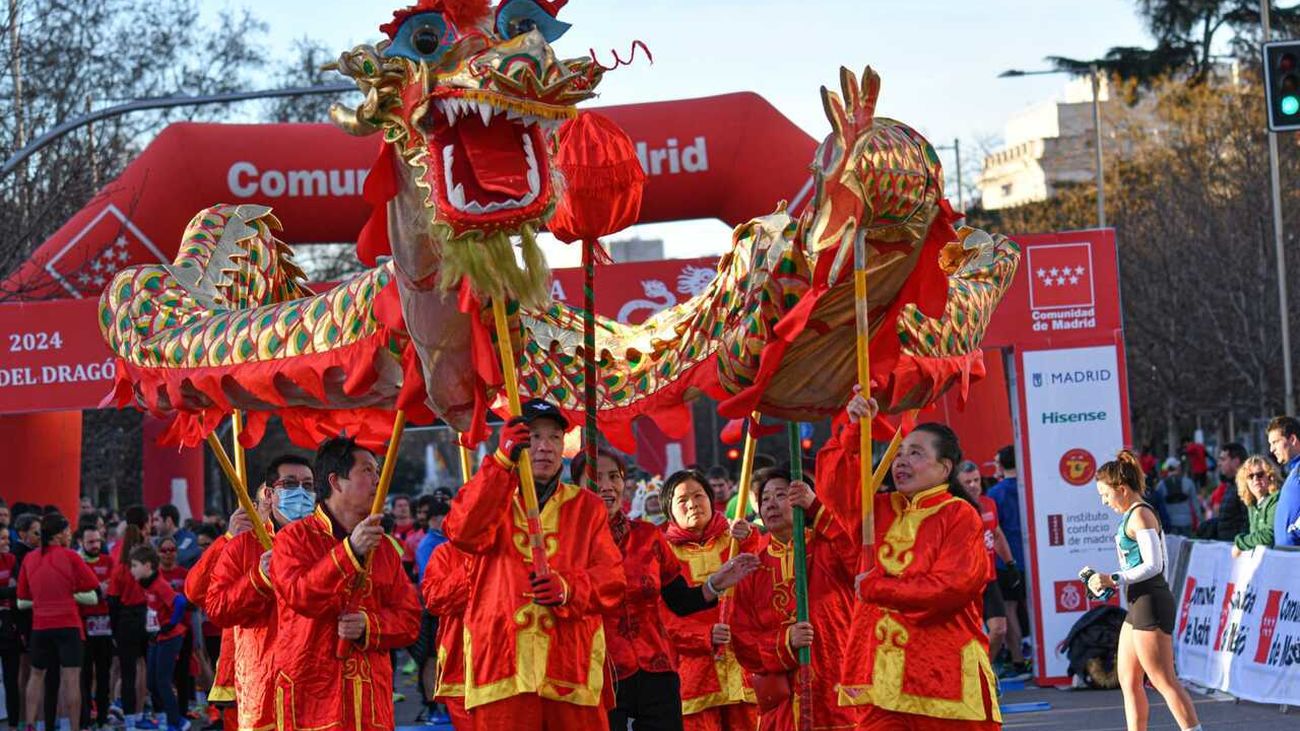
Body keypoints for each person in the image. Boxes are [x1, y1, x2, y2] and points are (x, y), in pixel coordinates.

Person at [817, 391, 1000, 729]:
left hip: (944, 681)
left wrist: (878, 588)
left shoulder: (959, 515)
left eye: (915, 453)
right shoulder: (881, 510)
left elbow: (951, 588)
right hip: (879, 678)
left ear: (945, 468)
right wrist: (854, 431)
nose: (900, 461)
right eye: (898, 453)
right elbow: (832, 490)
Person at [444, 399, 625, 727]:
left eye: (555, 438)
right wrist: (499, 464)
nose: (545, 447)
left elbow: (611, 580)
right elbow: (463, 533)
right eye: (535, 436)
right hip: (501, 664)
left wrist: (568, 589)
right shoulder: (491, 492)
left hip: (570, 664)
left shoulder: (588, 507)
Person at [572, 450, 757, 731]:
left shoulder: (648, 536)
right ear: (577, 487)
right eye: (595, 478)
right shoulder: (570, 543)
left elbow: (680, 601)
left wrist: (716, 582)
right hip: (601, 673)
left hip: (657, 671)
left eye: (614, 476)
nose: (607, 486)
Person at [270, 436, 421, 730]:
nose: (379, 480)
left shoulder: (385, 548)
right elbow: (300, 595)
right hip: (311, 698)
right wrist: (350, 551)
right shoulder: (294, 538)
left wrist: (369, 625)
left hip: (370, 703)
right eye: (367, 471)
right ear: (336, 481)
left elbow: (410, 619)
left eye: (378, 471)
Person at [730, 469, 861, 731]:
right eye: (765, 498)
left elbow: (858, 559)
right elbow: (743, 640)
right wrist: (785, 641)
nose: (771, 503)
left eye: (781, 495)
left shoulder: (827, 547)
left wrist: (817, 507)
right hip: (783, 701)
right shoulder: (752, 564)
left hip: (836, 684)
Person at [1085, 451, 1202, 731]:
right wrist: (1104, 582)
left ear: (1122, 489)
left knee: (1163, 680)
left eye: (1105, 494)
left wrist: (1112, 578)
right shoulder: (1130, 515)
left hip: (1152, 601)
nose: (1104, 502)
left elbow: (1154, 565)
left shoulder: (1140, 514)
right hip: (1139, 602)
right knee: (1127, 678)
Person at [205, 454, 315, 731]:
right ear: (269, 493)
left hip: (317, 686)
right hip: (262, 684)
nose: (300, 493)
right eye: (290, 484)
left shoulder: (330, 544)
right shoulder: (243, 546)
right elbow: (217, 608)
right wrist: (259, 578)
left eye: (308, 485)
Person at [660, 470, 760, 731]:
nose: (692, 504)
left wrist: (750, 539)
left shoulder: (735, 539)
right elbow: (661, 618)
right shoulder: (662, 552)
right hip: (693, 678)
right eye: (682, 500)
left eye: (698, 495)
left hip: (744, 671)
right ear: (668, 510)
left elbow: (760, 580)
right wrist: (703, 636)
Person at [17, 513, 100, 731]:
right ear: (61, 534)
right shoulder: (71, 556)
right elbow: (92, 583)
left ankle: (30, 725)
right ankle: (73, 727)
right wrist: (70, 588)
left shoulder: (30, 558)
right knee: (71, 679)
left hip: (40, 625)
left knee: (36, 676)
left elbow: (23, 594)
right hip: (68, 623)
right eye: (68, 532)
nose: (70, 535)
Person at [184, 511, 249, 731]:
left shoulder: (305, 540)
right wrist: (229, 538)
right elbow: (195, 591)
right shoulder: (238, 547)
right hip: (244, 667)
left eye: (306, 486)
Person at [957, 461, 1020, 673]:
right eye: (967, 482)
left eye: (976, 480)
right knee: (967, 635)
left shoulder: (989, 503)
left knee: (999, 630)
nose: (974, 485)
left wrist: (1010, 563)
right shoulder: (953, 507)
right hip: (964, 583)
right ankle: (968, 675)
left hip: (989, 578)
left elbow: (998, 534)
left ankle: (984, 670)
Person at [130, 544, 187, 731]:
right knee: (151, 682)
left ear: (147, 566)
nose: (132, 570)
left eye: (135, 565)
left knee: (162, 681)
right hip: (157, 638)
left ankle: (177, 722)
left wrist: (170, 624)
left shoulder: (159, 584)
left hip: (170, 637)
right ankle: (168, 717)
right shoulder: (145, 583)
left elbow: (180, 602)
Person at [985, 445, 1029, 679]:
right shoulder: (1029, 487)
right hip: (1033, 557)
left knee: (1009, 610)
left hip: (1006, 561)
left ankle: (1018, 659)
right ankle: (1031, 656)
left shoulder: (995, 494)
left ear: (1001, 465)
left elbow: (996, 531)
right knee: (1030, 607)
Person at [419, 541, 472, 729]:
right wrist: (476, 564)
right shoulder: (445, 552)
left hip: (514, 667)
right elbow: (434, 599)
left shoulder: (516, 545)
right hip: (461, 666)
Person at [76, 527, 114, 731]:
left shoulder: (109, 562)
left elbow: (114, 587)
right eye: (90, 542)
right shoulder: (78, 563)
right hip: (84, 624)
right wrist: (100, 589)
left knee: (104, 674)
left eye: (98, 541)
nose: (95, 545)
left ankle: (103, 718)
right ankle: (85, 719)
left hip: (105, 625)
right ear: (81, 542)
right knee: (85, 675)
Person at [1231, 455, 1281, 558]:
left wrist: (1240, 543)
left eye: (1260, 474)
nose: (1255, 479)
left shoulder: (1276, 499)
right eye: (1250, 476)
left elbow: (1269, 536)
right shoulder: (1252, 505)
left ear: (1270, 476)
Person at [1268, 415, 1300, 547]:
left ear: (1292, 439)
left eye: (1275, 442)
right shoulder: (1294, 471)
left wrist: (1293, 534)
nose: (1272, 449)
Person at [1, 528, 20, 731]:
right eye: (3, 538)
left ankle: (14, 725)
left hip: (9, 624)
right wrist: (9, 589)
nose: (7, 542)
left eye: (8, 537)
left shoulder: (12, 559)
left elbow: (20, 588)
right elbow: (11, 589)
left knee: (11, 678)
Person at [1210, 443, 1249, 541]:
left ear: (1236, 461)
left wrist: (1240, 545)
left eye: (1223, 459)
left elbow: (1247, 521)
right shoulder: (1231, 485)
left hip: (1236, 549)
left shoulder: (1245, 486)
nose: (1219, 463)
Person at [1154, 458, 1200, 537]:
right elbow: (1195, 503)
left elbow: (1157, 505)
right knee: (1186, 547)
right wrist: (1200, 520)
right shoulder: (1188, 482)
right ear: (1177, 468)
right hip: (1186, 521)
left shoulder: (1161, 485)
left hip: (1170, 523)